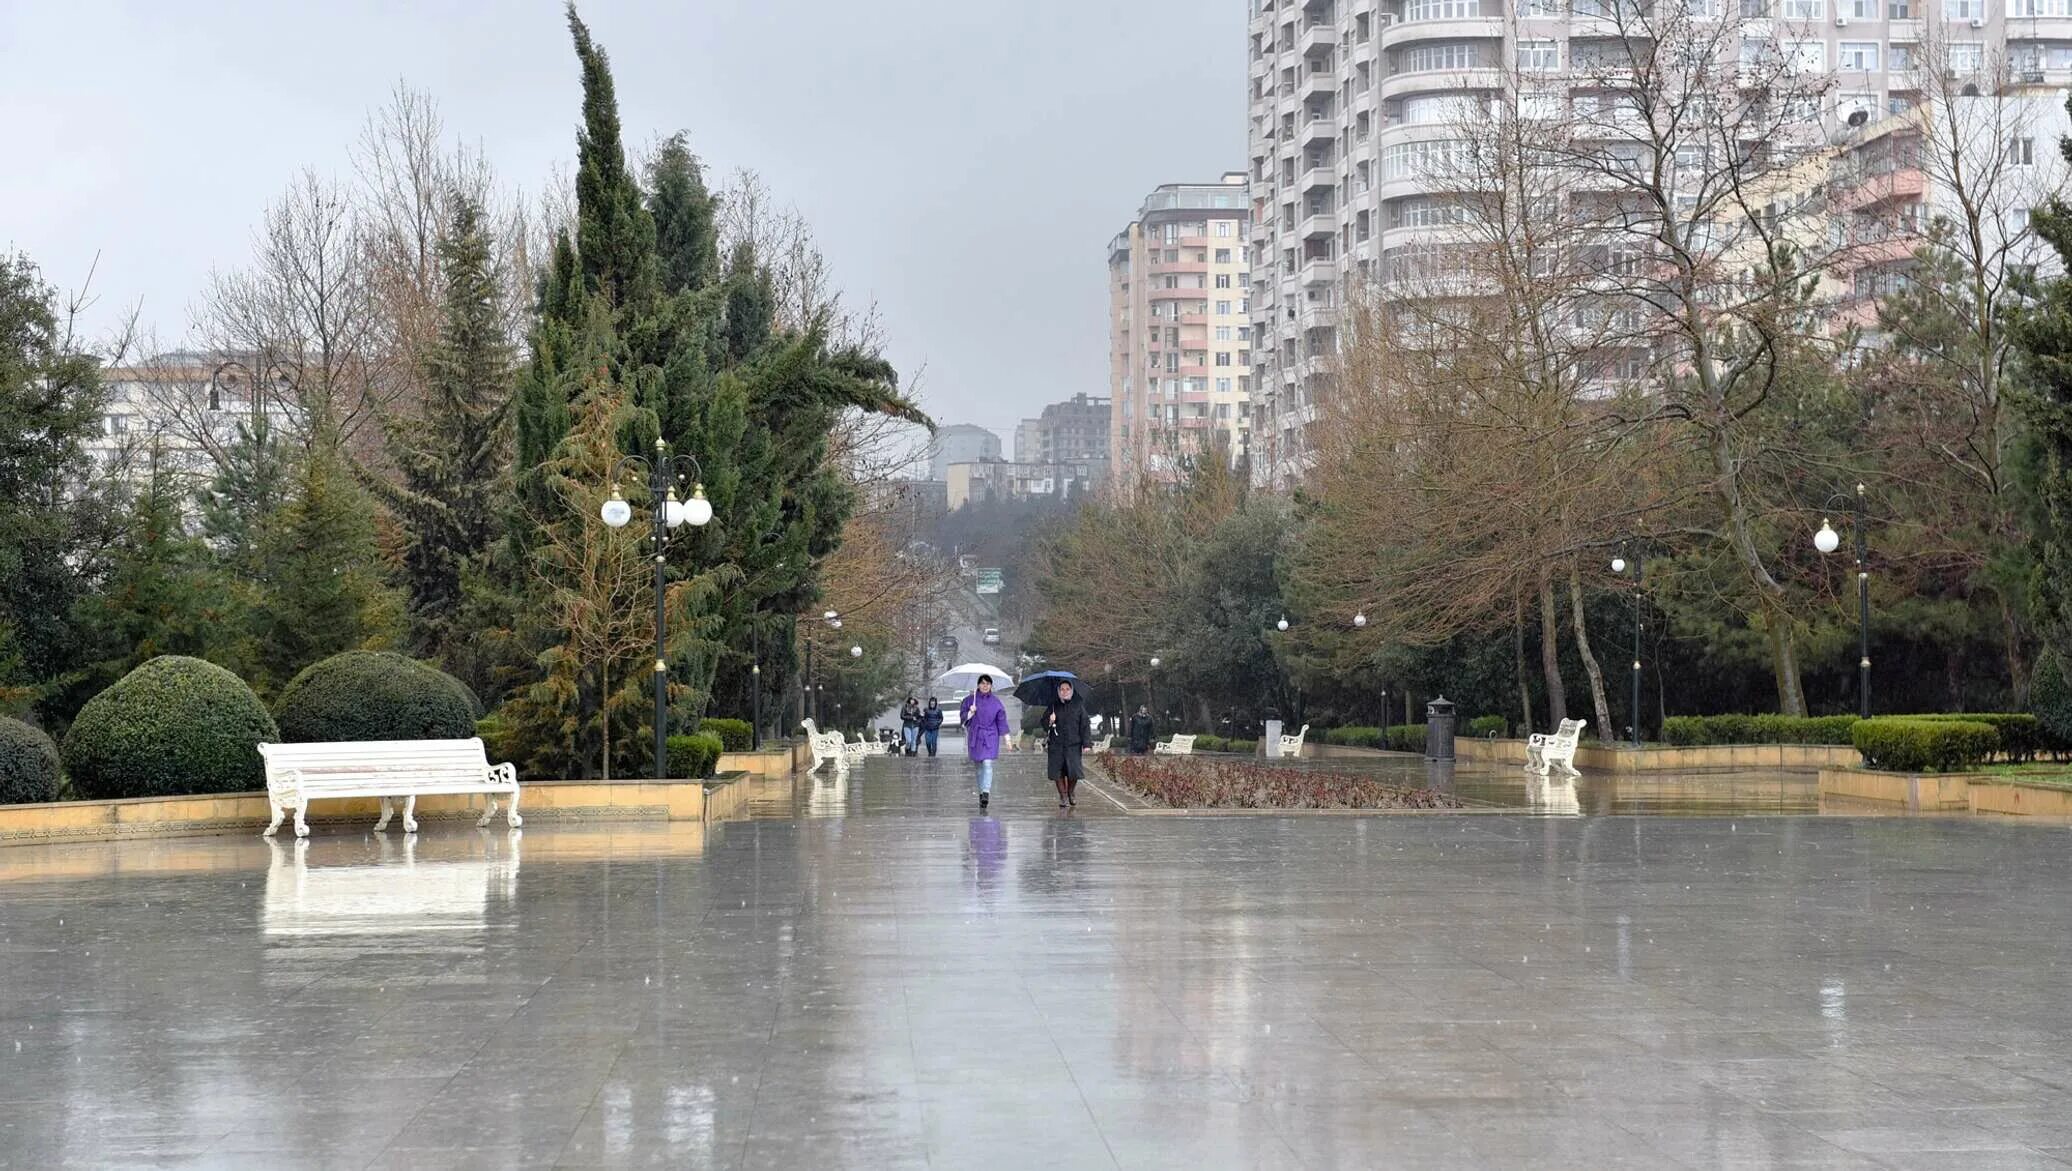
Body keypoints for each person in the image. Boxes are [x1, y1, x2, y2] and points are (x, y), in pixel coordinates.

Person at [959, 675, 1012, 811]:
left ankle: (986, 793)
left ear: (991, 686)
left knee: (987, 763)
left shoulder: (996, 702)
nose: (985, 686)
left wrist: (1007, 739)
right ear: (978, 685)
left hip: (990, 736)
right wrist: (970, 713)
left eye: (988, 683)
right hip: (976, 736)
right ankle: (981, 791)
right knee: (978, 766)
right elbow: (963, 720)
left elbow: (1001, 721)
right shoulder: (969, 700)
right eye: (982, 683)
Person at [1046, 679, 1093, 809]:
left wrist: (1087, 744)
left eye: (1067, 689)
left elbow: (1085, 725)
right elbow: (1044, 724)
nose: (1064, 691)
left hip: (1073, 745)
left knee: (1074, 771)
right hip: (1056, 745)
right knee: (1058, 772)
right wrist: (1050, 720)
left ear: (1071, 691)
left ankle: (1071, 791)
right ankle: (1063, 796)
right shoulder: (1053, 706)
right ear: (1058, 691)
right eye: (1062, 689)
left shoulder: (1078, 706)